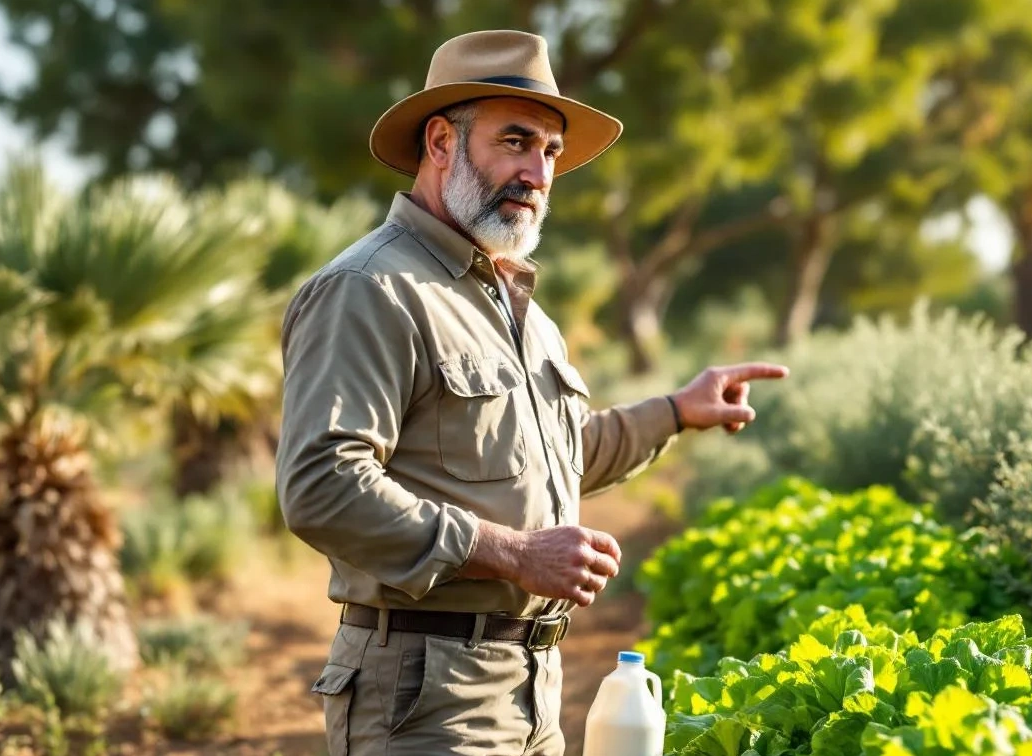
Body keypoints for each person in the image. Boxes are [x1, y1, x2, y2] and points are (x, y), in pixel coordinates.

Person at [275, 29, 789, 756]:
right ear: (440, 144)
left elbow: (554, 456)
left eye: (550, 152)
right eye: (514, 141)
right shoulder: (370, 290)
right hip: (422, 698)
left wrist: (676, 412)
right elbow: (322, 485)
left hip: (532, 688)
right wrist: (512, 553)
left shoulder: (522, 313)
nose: (538, 172)